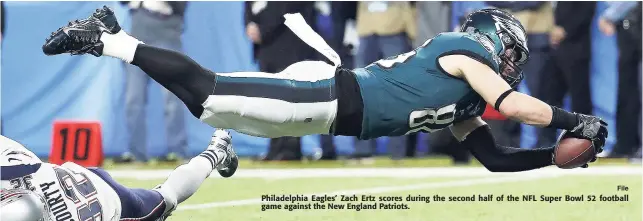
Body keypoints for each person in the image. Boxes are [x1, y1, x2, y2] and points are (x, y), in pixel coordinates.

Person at [43, 7, 608, 172]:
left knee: (210, 111)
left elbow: (493, 158)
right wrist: (574, 123)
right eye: (510, 52)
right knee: (210, 94)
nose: (512, 63)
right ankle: (110, 37)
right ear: (493, 42)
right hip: (326, 93)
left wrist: (555, 160)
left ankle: (220, 149)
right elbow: (514, 106)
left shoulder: (462, 96)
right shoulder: (463, 54)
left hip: (327, 114)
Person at [0, 130, 237, 221]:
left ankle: (216, 151)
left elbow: (27, 176)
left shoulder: (18, 210)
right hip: (73, 179)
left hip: (107, 202)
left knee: (167, 199)